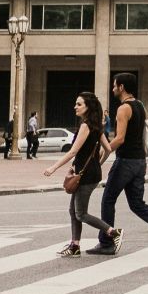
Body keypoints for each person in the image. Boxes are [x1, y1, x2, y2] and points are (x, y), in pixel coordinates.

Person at [88, 72, 148, 257]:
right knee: (137, 204)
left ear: (121, 87)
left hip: (126, 162)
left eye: (115, 85)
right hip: (140, 162)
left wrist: (102, 151)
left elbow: (120, 138)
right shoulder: (140, 106)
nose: (113, 88)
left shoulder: (123, 109)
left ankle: (106, 242)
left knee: (108, 199)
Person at [42, 92, 114, 258]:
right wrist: (98, 164)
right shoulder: (96, 126)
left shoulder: (86, 126)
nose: (75, 106)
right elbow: (108, 149)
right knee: (73, 210)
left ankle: (113, 232)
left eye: (79, 104)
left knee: (81, 213)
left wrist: (53, 168)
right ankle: (75, 246)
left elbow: (73, 151)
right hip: (91, 173)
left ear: (87, 107)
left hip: (85, 176)